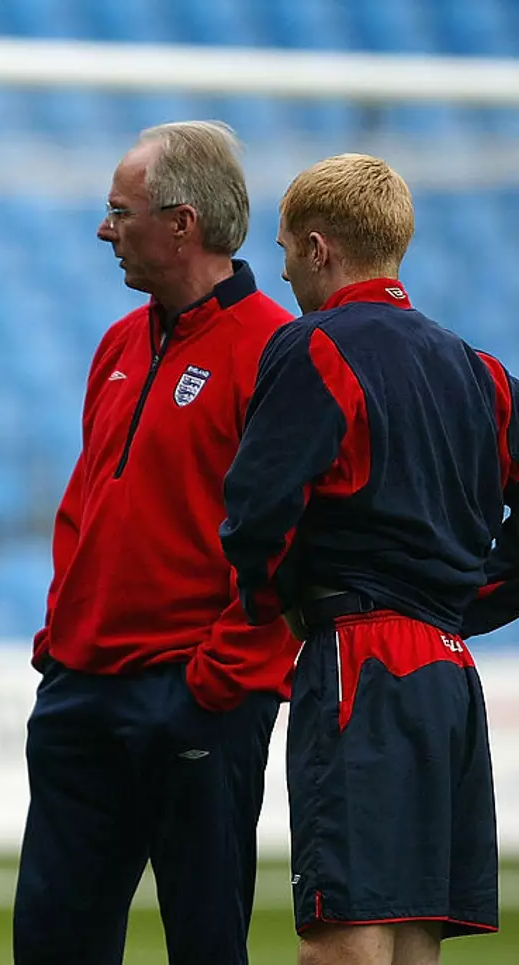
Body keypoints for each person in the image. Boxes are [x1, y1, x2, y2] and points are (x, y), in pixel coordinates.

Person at [12, 120, 297, 965]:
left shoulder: (275, 351)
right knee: (51, 947)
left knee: (206, 946)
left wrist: (215, 681)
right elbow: (84, 505)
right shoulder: (116, 343)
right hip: (82, 695)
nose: (105, 229)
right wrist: (58, 647)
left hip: (197, 696)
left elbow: (286, 544)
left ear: (182, 224)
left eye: (119, 211)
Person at [220, 154, 501, 965]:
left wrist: (277, 602)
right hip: (448, 670)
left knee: (344, 935)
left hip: (359, 658)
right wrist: (474, 598)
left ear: (318, 248)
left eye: (282, 249)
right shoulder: (478, 370)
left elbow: (256, 514)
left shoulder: (316, 347)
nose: (277, 269)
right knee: (414, 934)